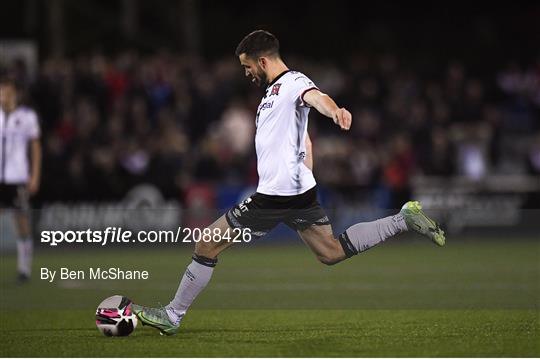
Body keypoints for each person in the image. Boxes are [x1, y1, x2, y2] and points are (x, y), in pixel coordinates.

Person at [132, 30, 445, 335]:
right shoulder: (272, 94)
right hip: (297, 191)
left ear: (263, 61)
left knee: (206, 243)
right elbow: (303, 136)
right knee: (331, 252)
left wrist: (335, 111)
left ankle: (172, 314)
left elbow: (316, 97)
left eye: (247, 66)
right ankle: (402, 220)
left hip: (275, 196)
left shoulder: (293, 81)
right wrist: (306, 167)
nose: (247, 73)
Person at [0, 79, 42, 283]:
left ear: (14, 93)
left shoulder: (26, 116)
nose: (3, 96)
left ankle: (24, 268)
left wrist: (34, 176)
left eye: (6, 92)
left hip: (17, 177)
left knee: (22, 222)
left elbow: (35, 147)